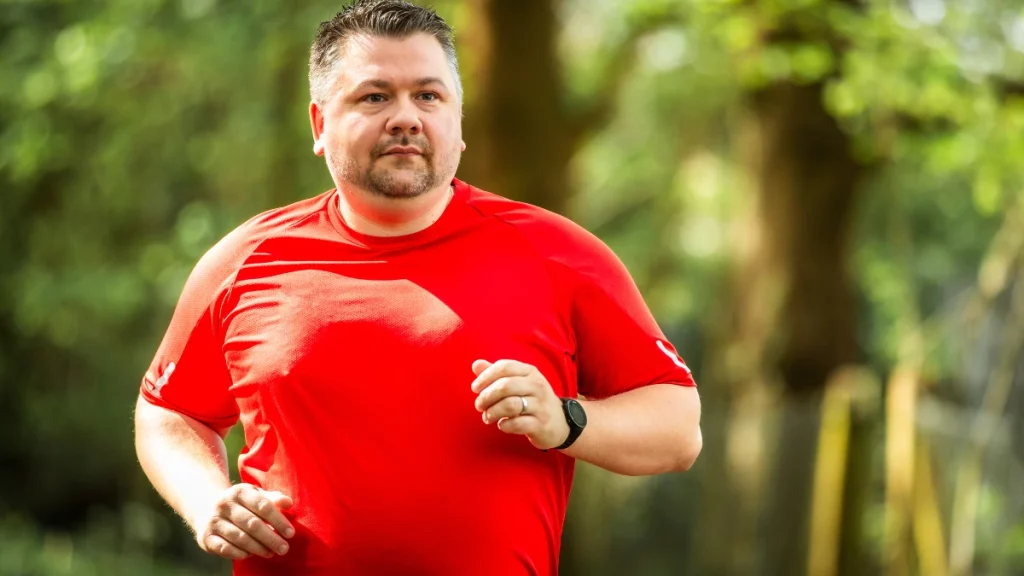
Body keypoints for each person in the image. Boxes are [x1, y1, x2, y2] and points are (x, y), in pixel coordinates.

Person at [133, 1, 702, 574]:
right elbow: (168, 410)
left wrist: (567, 420)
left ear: (458, 126)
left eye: (428, 96)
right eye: (375, 96)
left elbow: (678, 428)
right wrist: (207, 500)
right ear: (319, 124)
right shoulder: (245, 260)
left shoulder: (561, 257)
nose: (406, 117)